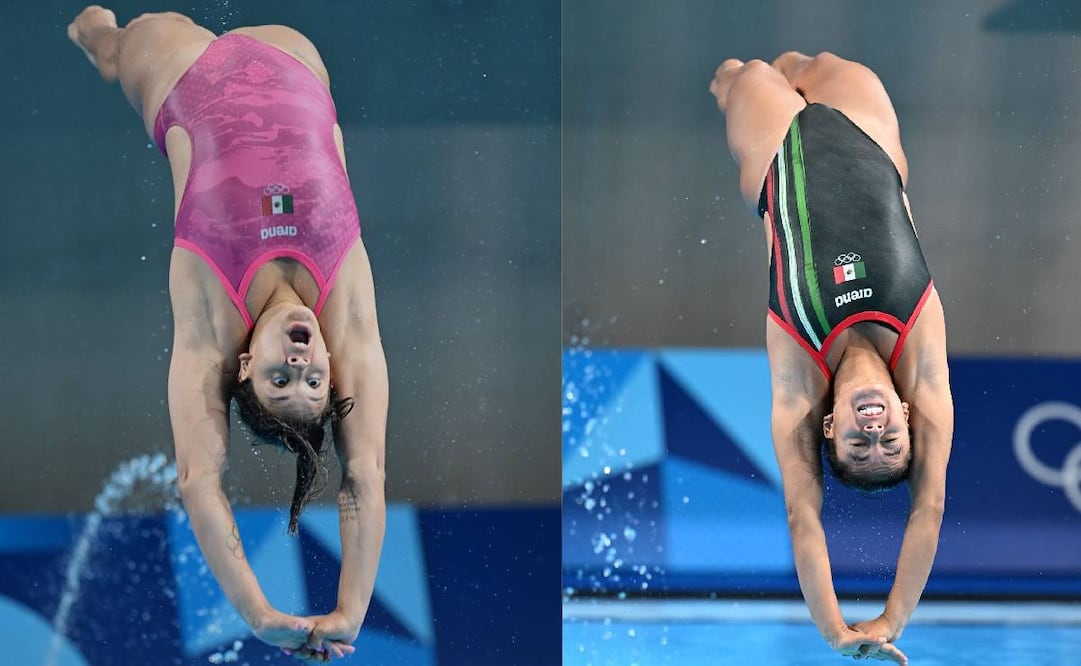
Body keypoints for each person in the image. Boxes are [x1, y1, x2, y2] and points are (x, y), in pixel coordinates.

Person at [67, 6, 388, 662]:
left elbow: (198, 478)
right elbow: (364, 472)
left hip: (185, 76)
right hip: (293, 61)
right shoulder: (348, 314)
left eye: (280, 378)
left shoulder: (212, 326)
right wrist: (351, 609)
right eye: (314, 378)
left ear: (243, 368)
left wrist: (260, 614)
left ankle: (99, 43)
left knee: (118, 43)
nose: (300, 359)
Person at [709, 52, 953, 665]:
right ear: (906, 417)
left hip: (777, 154)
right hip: (870, 141)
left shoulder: (798, 378)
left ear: (829, 429)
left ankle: (725, 87)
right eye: (890, 443)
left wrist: (837, 631)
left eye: (857, 446)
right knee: (806, 62)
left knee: (745, 74)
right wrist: (894, 618)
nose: (874, 434)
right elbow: (929, 507)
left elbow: (802, 515)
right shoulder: (921, 364)